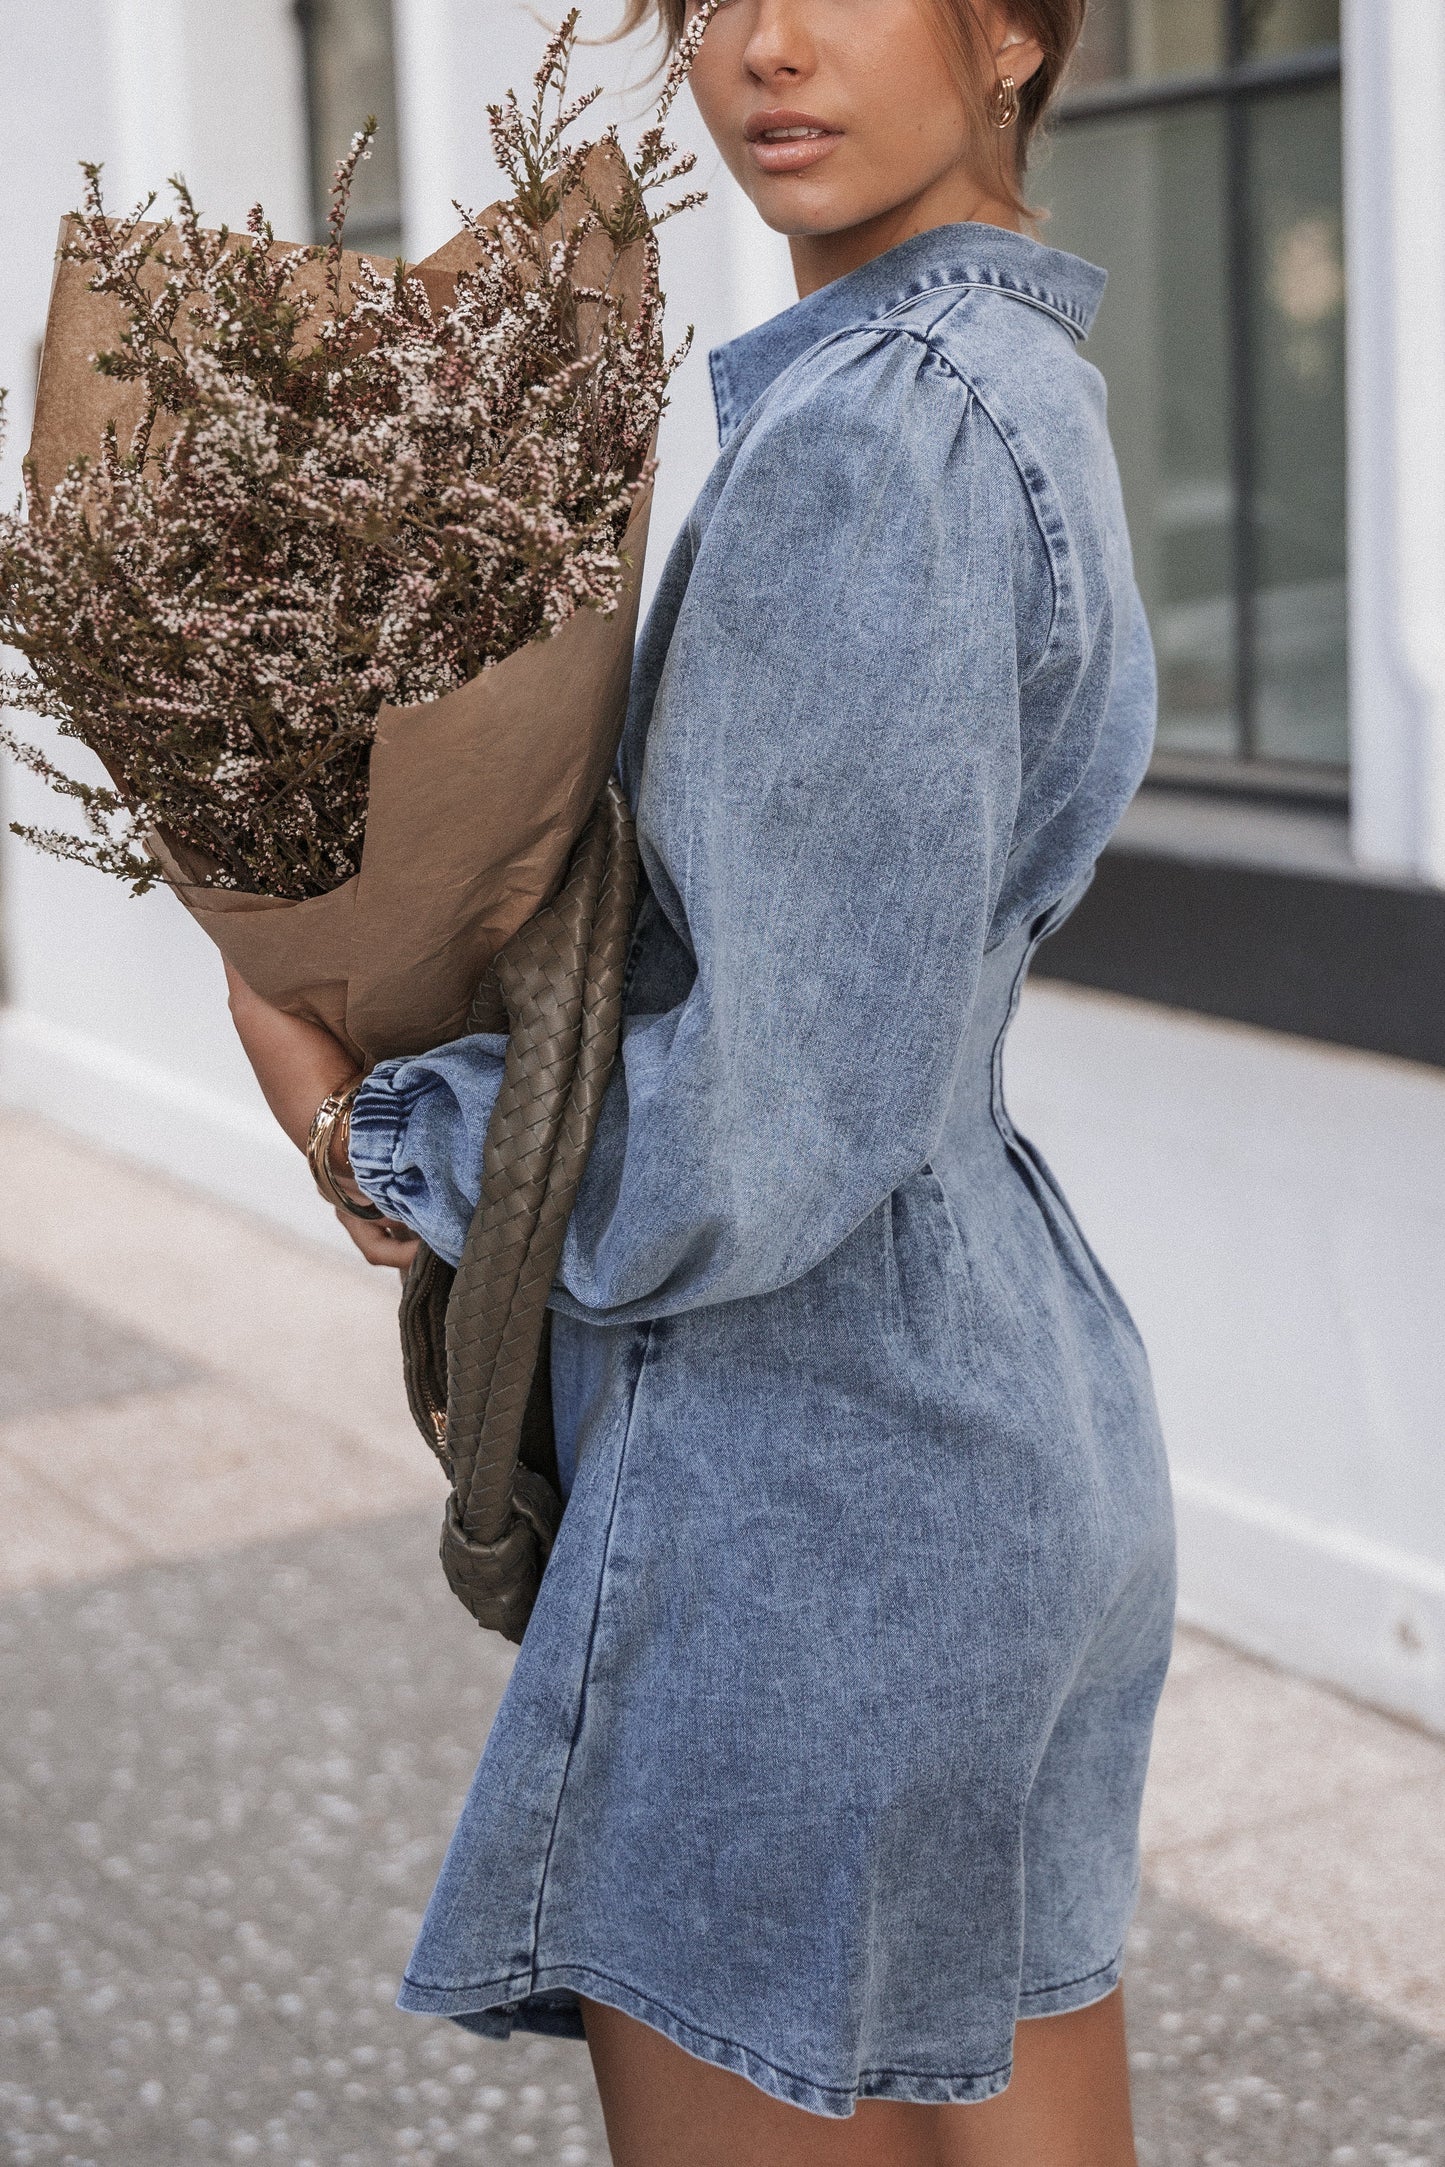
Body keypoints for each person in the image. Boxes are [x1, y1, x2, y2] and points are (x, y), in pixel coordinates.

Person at [226, 1, 1176, 2159]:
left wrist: (356, 1109)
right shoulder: (1019, 389)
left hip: (819, 1485)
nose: (768, 48)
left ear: (1016, 28)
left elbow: (749, 1127)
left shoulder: (874, 440)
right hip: (1000, 1419)